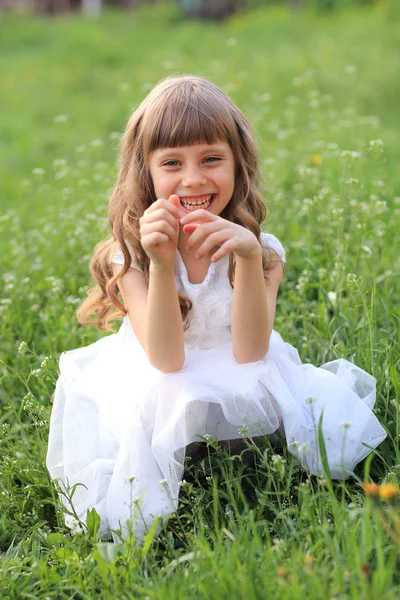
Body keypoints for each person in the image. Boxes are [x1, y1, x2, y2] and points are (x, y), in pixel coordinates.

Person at [46, 74, 387, 544]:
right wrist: (162, 266)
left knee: (265, 388)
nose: (193, 178)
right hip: (163, 370)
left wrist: (247, 259)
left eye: (211, 159)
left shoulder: (261, 251)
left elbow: (250, 352)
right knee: (162, 395)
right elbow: (167, 361)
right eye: (172, 162)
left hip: (237, 364)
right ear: (145, 173)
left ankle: (240, 455)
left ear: (237, 164)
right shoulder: (131, 256)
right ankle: (186, 461)